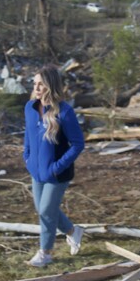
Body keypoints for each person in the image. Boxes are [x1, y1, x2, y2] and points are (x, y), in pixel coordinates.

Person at [23, 64, 85, 267]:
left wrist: (57, 166)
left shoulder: (64, 112)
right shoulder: (30, 108)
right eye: (35, 84)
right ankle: (72, 231)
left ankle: (45, 253)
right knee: (42, 209)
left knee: (47, 211)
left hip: (58, 173)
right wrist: (27, 157)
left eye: (41, 84)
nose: (37, 88)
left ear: (51, 85)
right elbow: (28, 136)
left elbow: (78, 144)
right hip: (36, 170)